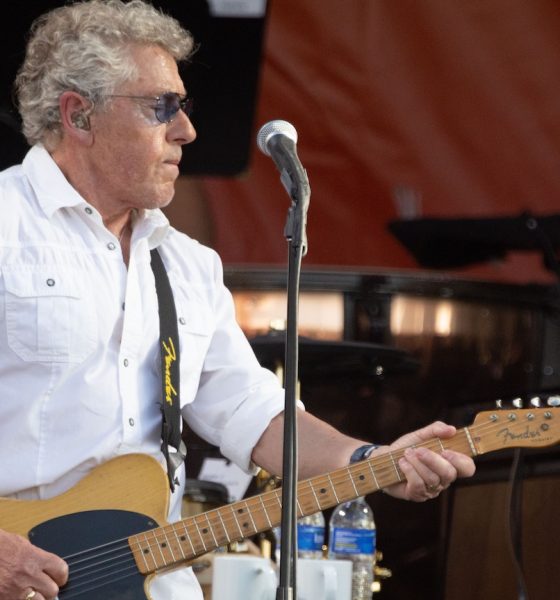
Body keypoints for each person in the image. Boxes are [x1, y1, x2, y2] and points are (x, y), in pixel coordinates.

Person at [0, 1, 476, 599]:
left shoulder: (186, 264)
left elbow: (250, 410)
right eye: (160, 107)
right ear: (79, 115)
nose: (186, 130)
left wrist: (372, 460)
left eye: (184, 106)